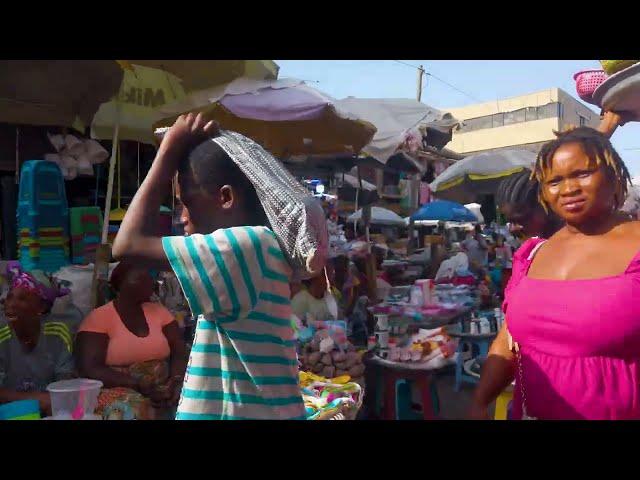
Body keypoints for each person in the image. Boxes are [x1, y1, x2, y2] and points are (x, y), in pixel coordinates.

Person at [112, 113, 305, 420]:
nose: (182, 217)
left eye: (186, 201)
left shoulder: (243, 246)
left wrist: (167, 153)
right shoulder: (261, 247)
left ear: (225, 197)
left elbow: (127, 244)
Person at [470, 126, 640, 420]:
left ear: (614, 177)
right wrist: (479, 402)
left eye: (583, 174)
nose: (568, 189)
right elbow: (509, 338)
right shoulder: (532, 254)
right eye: (555, 181)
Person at [76, 261, 187, 419]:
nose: (149, 282)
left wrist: (176, 381)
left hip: (161, 386)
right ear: (119, 286)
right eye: (139, 279)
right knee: (134, 410)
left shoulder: (159, 312)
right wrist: (137, 384)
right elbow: (90, 368)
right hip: (116, 387)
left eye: (148, 278)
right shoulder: (99, 318)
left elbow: (179, 351)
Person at [0, 264, 73, 416]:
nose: (10, 305)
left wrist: (48, 401)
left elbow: (66, 384)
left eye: (22, 299)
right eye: (9, 297)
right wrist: (36, 400)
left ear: (41, 307)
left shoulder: (57, 334)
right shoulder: (2, 336)